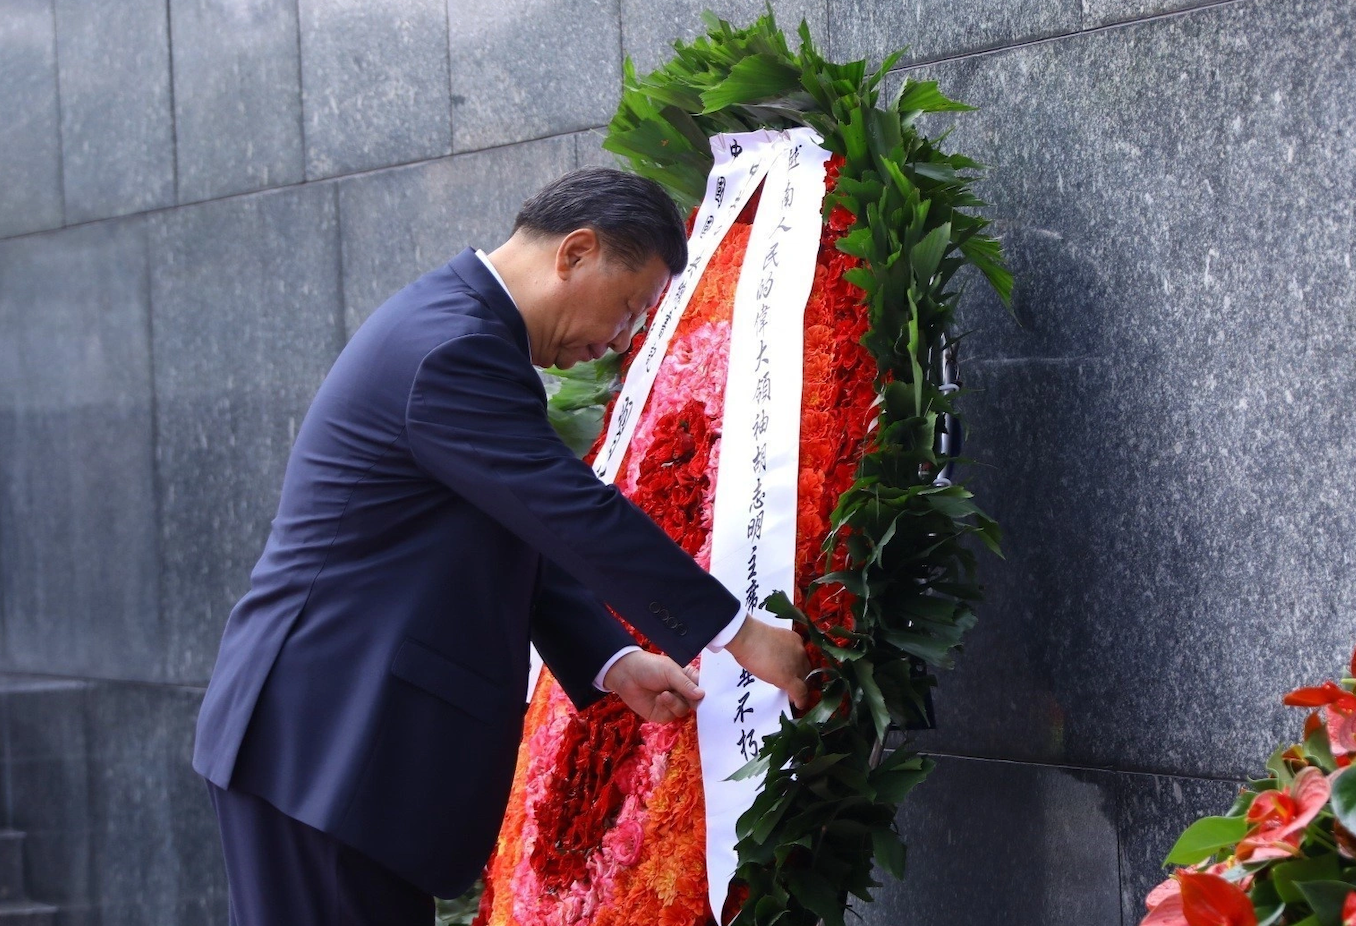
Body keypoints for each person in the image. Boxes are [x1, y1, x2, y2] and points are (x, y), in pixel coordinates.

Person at [192, 167, 812, 925]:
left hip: (334, 752)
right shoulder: (452, 347)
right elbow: (569, 511)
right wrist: (739, 634)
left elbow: (514, 528)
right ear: (575, 252)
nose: (619, 339)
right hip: (326, 741)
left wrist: (613, 660)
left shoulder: (461, 329)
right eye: (626, 309)